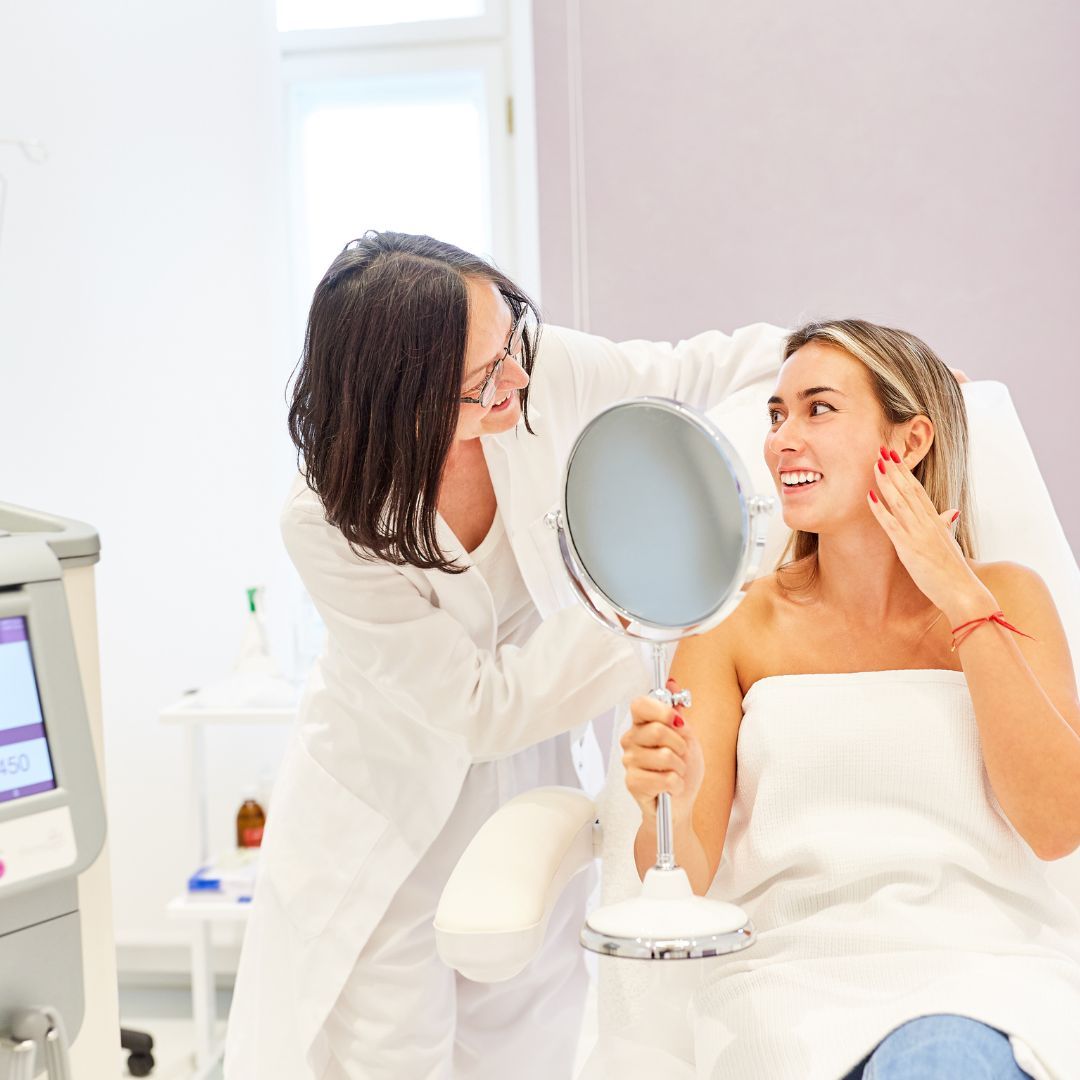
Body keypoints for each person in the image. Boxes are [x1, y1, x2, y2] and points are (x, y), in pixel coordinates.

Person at [223, 231, 787, 1079]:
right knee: (388, 1050)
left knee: (529, 1042)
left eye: (510, 345)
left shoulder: (533, 369)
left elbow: (698, 372)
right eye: (483, 380)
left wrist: (855, 365)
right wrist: (648, 596)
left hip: (527, 779)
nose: (517, 380)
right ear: (399, 404)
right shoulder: (325, 519)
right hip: (385, 805)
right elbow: (479, 710)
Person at [622, 319, 1080, 1079]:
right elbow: (680, 878)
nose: (781, 441)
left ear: (909, 442)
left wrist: (963, 604)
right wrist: (663, 799)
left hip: (984, 973)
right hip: (786, 985)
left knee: (941, 1059)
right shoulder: (734, 622)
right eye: (776, 415)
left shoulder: (1007, 599)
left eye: (818, 409)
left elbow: (1058, 825)